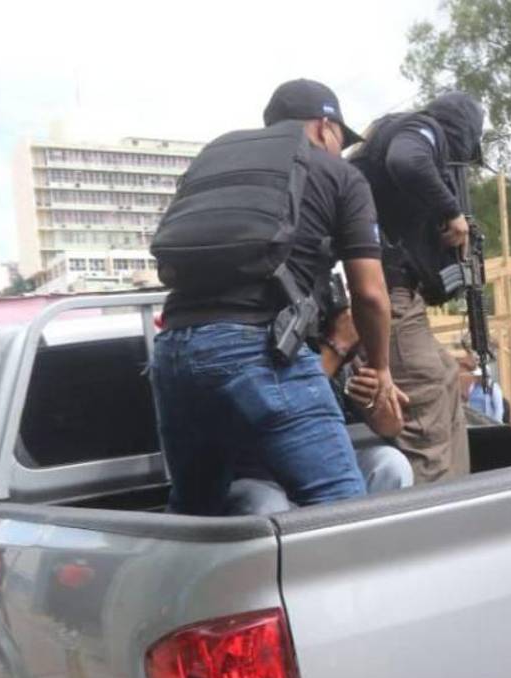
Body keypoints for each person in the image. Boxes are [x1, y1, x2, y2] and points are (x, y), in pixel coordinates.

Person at [151, 79, 401, 515]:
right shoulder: (341, 175)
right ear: (325, 127)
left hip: (173, 350)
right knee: (343, 516)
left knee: (198, 515)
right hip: (257, 346)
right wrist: (380, 368)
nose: (340, 149)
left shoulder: (222, 165)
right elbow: (371, 293)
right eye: (341, 137)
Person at [351, 91, 486, 483]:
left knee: (445, 374)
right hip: (382, 291)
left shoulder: (393, 133)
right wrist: (451, 211)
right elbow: (406, 161)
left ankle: (461, 501)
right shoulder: (420, 128)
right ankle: (434, 530)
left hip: (397, 290)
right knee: (424, 397)